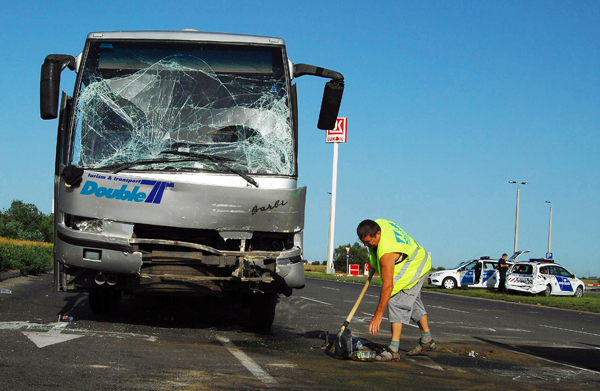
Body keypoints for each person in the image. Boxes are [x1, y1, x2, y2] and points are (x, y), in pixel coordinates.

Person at [356, 219, 435, 361]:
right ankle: (427, 339)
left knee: (396, 301)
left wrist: (378, 315)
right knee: (412, 302)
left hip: (416, 265)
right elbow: (375, 249)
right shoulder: (378, 224)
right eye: (363, 242)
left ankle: (394, 350)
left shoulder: (387, 252)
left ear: (378, 234)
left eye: (368, 242)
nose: (365, 245)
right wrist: (373, 261)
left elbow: (388, 286)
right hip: (417, 257)